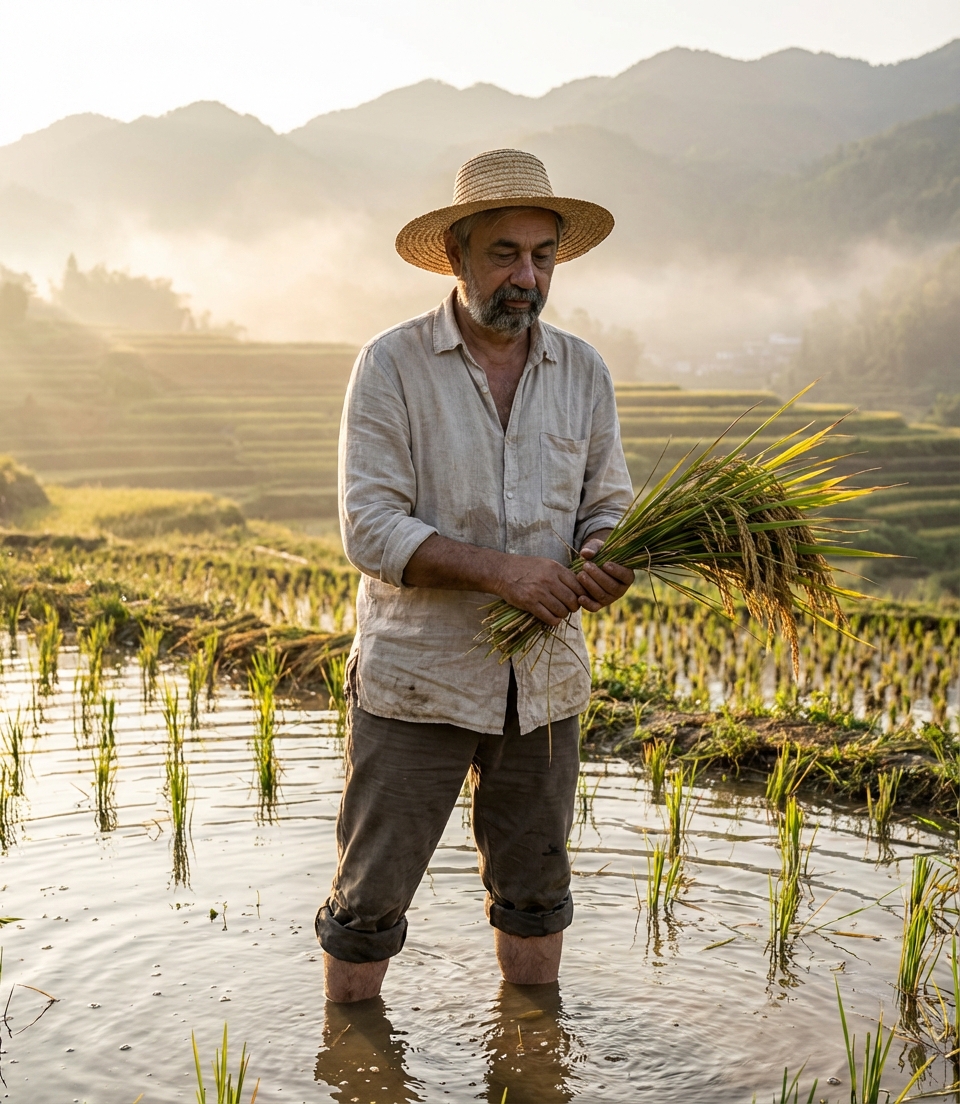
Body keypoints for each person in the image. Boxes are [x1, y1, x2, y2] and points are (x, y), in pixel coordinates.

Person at [316, 148, 635, 1002]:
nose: (527, 275)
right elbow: (371, 526)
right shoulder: (392, 365)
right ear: (456, 254)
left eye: (543, 255)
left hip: (543, 686)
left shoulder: (585, 372)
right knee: (368, 903)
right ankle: (353, 1062)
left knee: (536, 899)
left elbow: (609, 507)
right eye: (505, 253)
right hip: (418, 681)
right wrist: (505, 575)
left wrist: (607, 556)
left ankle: (530, 1063)